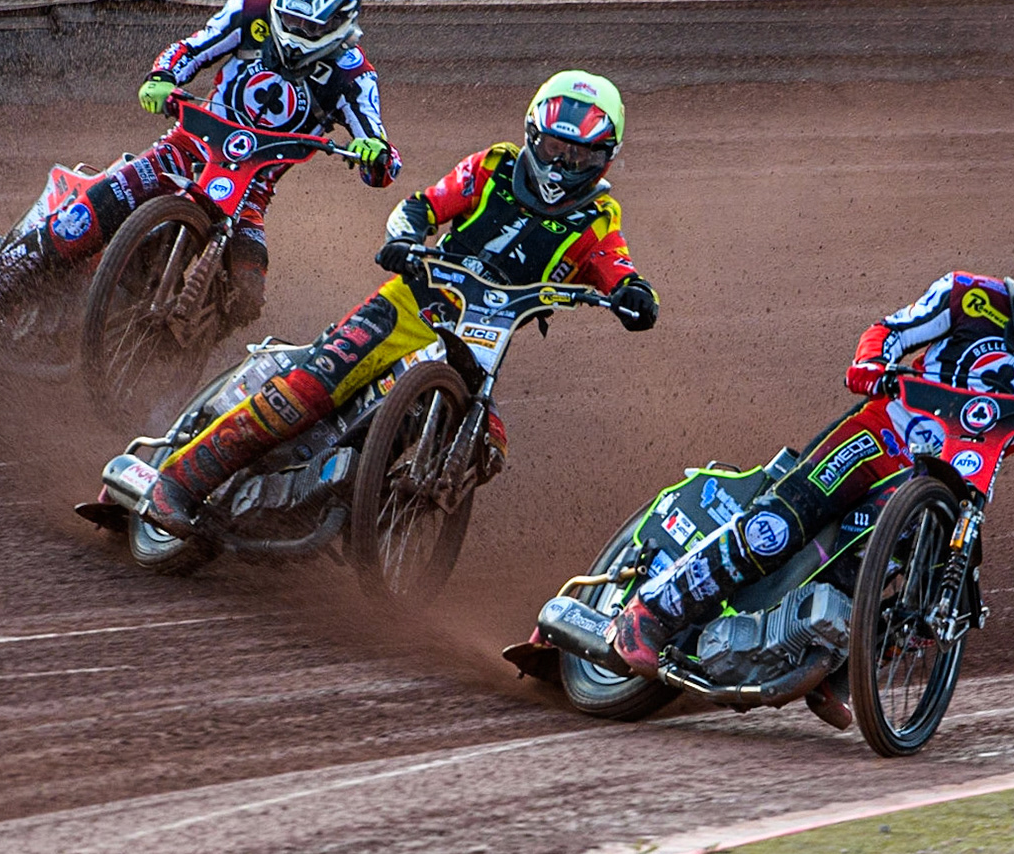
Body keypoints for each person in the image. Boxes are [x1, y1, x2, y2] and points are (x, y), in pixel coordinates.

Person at [603, 204, 1014, 719]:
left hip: (961, 479)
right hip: (884, 432)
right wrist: (872, 362)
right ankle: (651, 613)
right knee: (776, 528)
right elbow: (890, 331)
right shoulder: (967, 295)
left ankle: (843, 666)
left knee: (935, 578)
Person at [138, 70, 657, 536]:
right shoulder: (493, 166)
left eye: (579, 155)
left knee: (488, 446)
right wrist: (406, 237)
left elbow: (620, 269)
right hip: (411, 302)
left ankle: (358, 508)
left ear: (604, 157)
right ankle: (178, 484)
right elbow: (422, 206)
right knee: (308, 389)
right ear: (530, 136)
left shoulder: (598, 218)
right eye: (552, 148)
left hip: (479, 347)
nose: (562, 163)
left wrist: (634, 297)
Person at [0, 0, 398, 344]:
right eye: (291, 21)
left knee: (246, 298)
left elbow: (380, 151)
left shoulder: (354, 77)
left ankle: (167, 357)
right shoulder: (250, 13)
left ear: (343, 21)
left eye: (311, 28)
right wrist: (163, 77)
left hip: (251, 194)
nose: (296, 34)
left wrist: (374, 157)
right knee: (78, 223)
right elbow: (191, 49)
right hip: (185, 149)